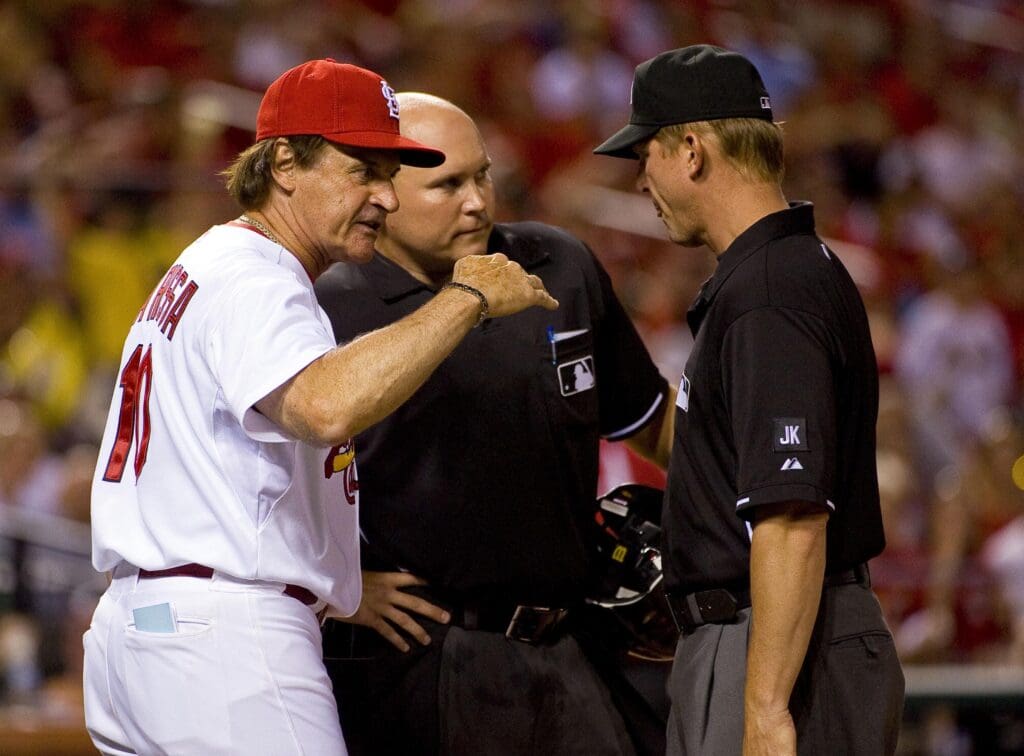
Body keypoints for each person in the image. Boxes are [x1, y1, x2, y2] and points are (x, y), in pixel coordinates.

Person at [82, 59, 557, 756]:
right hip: (224, 645)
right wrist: (468, 297)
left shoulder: (212, 264)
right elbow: (325, 406)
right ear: (283, 162)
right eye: (361, 170)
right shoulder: (255, 279)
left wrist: (332, 582)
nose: (385, 198)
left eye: (388, 174)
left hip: (154, 633)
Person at [315, 92, 675, 755]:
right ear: (382, 194)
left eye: (482, 175)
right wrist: (334, 588)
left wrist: (743, 500)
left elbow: (650, 419)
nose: (477, 200)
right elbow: (259, 479)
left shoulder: (558, 265)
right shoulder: (331, 304)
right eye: (447, 184)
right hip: (426, 659)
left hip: (573, 644)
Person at [594, 45, 905, 755]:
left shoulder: (769, 291)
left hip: (779, 645)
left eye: (646, 155)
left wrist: (764, 708)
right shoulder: (783, 271)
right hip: (781, 633)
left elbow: (793, 514)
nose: (642, 181)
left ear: (694, 150)